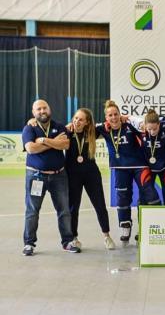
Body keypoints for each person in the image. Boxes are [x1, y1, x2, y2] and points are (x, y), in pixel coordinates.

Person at [22, 99, 80, 256]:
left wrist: (44, 140)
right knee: (32, 211)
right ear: (34, 113)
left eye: (44, 108)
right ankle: (29, 244)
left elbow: (66, 145)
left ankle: (67, 241)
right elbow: (31, 148)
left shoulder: (59, 126)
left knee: (64, 210)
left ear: (50, 109)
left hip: (58, 176)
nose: (42, 111)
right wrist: (55, 142)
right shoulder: (29, 128)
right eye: (38, 109)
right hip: (36, 176)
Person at [96, 100, 160, 242]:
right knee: (123, 198)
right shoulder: (102, 128)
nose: (113, 117)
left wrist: (129, 117)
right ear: (106, 117)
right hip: (120, 168)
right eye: (110, 115)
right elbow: (86, 128)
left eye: (116, 114)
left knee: (150, 195)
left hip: (139, 166)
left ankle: (149, 227)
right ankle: (125, 227)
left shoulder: (129, 124)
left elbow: (144, 125)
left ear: (120, 114)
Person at [66, 108, 116, 249]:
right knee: (73, 208)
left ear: (87, 122)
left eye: (81, 119)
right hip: (72, 175)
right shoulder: (67, 132)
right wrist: (32, 120)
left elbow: (111, 122)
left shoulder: (94, 131)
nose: (77, 121)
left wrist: (123, 117)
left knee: (100, 205)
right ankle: (74, 238)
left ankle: (106, 236)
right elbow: (47, 127)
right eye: (75, 118)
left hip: (91, 174)